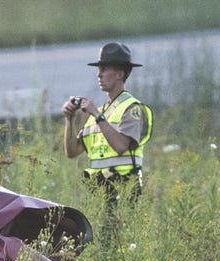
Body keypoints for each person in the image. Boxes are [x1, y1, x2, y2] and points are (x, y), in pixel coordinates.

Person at [61, 42, 153, 206]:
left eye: (104, 69)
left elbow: (120, 146)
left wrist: (96, 115)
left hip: (125, 193)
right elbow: (72, 152)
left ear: (119, 74)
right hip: (101, 194)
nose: (99, 75)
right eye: (99, 69)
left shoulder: (131, 108)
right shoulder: (100, 112)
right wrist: (70, 119)